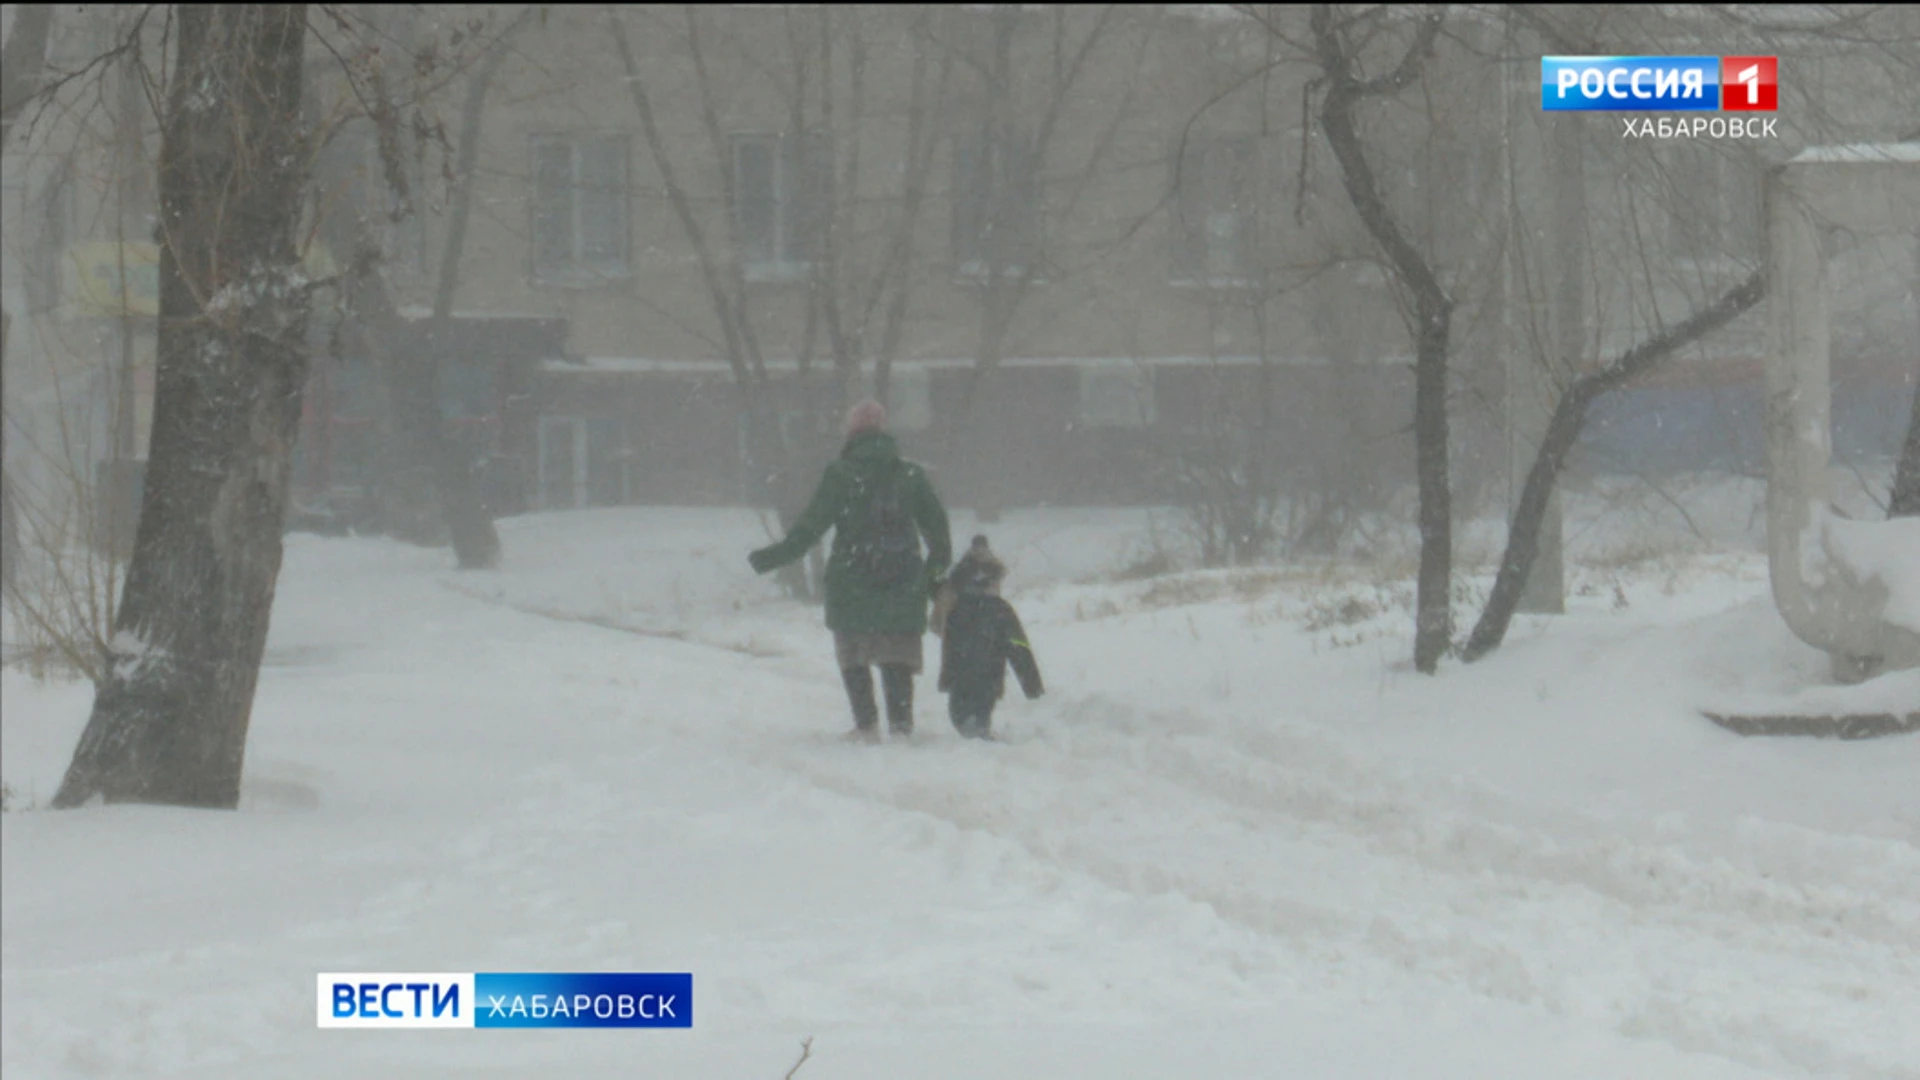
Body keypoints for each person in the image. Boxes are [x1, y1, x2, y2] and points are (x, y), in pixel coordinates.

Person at [749, 400, 952, 742]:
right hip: (903, 581)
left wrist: (769, 559)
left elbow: (810, 529)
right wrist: (931, 579)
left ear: (851, 432)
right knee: (897, 654)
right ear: (884, 430)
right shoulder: (911, 476)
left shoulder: (841, 475)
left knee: (853, 651)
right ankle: (901, 726)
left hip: (852, 581)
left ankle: (866, 724)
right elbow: (939, 535)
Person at [937, 535, 1044, 740]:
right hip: (988, 680)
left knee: (963, 719)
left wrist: (947, 679)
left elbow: (948, 646)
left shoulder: (956, 609)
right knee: (978, 720)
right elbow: (1019, 648)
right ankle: (979, 736)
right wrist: (1033, 687)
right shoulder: (1000, 611)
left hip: (960, 682)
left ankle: (973, 736)